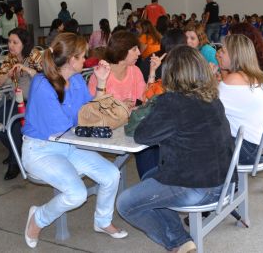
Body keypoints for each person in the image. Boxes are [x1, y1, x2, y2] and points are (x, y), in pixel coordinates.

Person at [117, 46, 234, 253]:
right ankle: (180, 238)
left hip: (196, 188)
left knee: (125, 204)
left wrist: (154, 105)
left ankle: (177, 243)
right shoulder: (212, 98)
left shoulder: (172, 102)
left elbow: (142, 135)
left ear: (170, 73)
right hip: (223, 182)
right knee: (149, 178)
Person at [22, 33, 127, 248]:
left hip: (69, 144)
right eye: (82, 57)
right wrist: (90, 121)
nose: (86, 60)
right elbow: (64, 126)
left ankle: (102, 221)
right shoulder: (42, 84)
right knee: (77, 194)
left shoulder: (77, 79)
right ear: (71, 60)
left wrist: (101, 82)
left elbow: (90, 112)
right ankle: (38, 218)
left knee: (111, 174)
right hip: (40, 150)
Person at [216, 34, 263, 165]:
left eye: (223, 51)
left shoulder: (233, 79)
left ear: (234, 55)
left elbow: (208, 107)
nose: (219, 54)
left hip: (248, 151)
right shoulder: (262, 77)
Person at [135, 28, 187, 179]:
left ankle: (151, 182)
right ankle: (152, 181)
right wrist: (152, 72)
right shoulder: (156, 62)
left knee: (149, 145)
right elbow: (147, 100)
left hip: (165, 123)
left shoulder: (158, 62)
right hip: (158, 116)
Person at [0, 28, 42, 180]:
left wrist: (27, 69)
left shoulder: (34, 55)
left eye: (15, 42)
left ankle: (15, 163)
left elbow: (47, 75)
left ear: (24, 44)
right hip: (17, 100)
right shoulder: (10, 58)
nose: (11, 45)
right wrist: (7, 74)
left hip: (34, 102)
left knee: (14, 126)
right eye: (9, 42)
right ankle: (15, 151)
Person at [88, 31, 146, 110]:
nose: (139, 53)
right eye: (134, 49)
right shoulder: (100, 74)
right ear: (122, 51)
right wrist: (120, 106)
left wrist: (152, 72)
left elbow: (144, 98)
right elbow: (94, 109)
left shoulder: (135, 70)